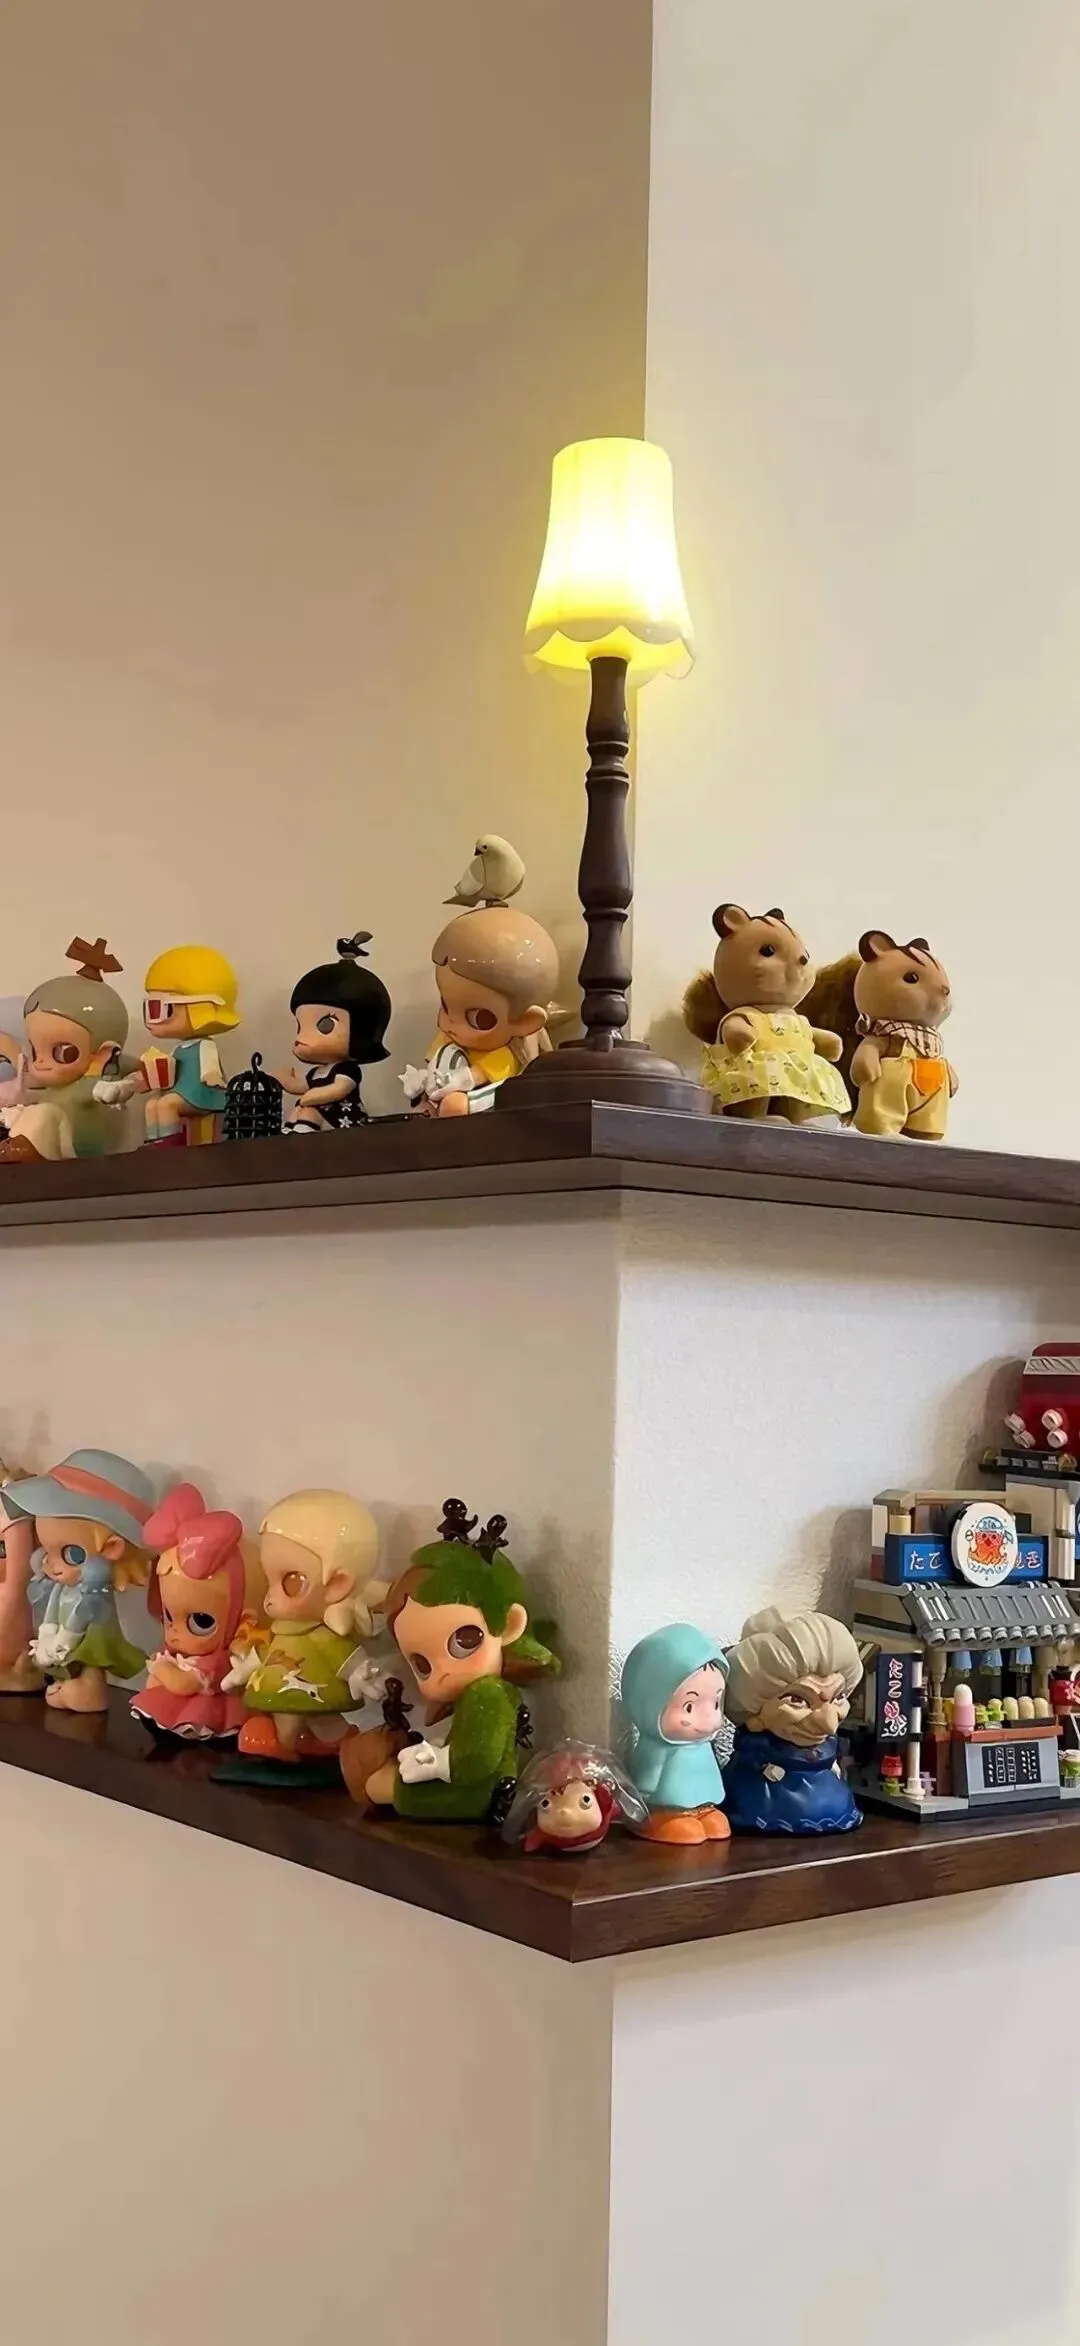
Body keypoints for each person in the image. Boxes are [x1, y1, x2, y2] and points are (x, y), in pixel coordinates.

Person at [723, 1606, 863, 1834]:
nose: (829, 1725)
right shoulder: (755, 1752)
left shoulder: (827, 1746)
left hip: (831, 1797)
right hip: (770, 1802)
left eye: (838, 1697)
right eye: (798, 1700)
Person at [280, 932, 391, 1131]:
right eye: (300, 1026)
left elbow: (340, 1088)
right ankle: (292, 1130)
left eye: (325, 1025)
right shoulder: (317, 1072)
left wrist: (311, 1097)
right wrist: (286, 1082)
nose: (302, 1037)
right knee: (300, 1110)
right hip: (319, 1112)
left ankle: (303, 1130)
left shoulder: (347, 1070)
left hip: (342, 1119)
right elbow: (303, 1086)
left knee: (308, 1110)